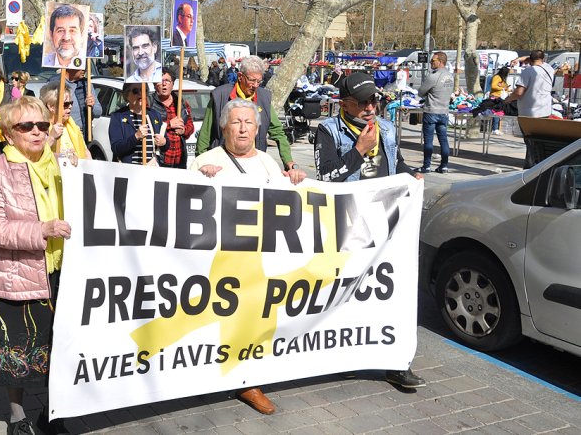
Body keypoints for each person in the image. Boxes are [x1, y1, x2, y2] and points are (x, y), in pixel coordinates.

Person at [190, 99, 305, 415]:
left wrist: (295, 182)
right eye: (236, 122)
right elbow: (179, 204)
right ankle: (240, 379)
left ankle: (247, 379)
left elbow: (288, 202)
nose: (242, 128)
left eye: (248, 123)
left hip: (262, 261)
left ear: (258, 129)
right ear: (224, 126)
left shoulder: (268, 162)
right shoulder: (206, 159)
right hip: (222, 262)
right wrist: (199, 179)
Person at [314, 72, 426, 389]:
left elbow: (397, 165)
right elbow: (327, 178)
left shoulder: (388, 129)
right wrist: (360, 150)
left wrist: (412, 176)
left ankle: (397, 362)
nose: (370, 107)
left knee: (394, 294)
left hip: (387, 226)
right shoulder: (328, 130)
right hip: (349, 227)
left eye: (373, 100)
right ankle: (346, 355)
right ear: (345, 103)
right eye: (362, 102)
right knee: (349, 295)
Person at [0, 98, 71, 435]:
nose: (36, 132)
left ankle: (53, 411)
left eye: (42, 125)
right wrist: (40, 231)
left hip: (63, 271)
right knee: (16, 351)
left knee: (59, 346)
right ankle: (17, 417)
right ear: (8, 133)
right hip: (17, 276)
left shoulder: (64, 165)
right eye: (26, 126)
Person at [196, 56, 303, 182]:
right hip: (223, 167)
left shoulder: (264, 98)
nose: (255, 85)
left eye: (259, 81)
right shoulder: (219, 95)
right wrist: (203, 162)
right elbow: (205, 135)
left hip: (253, 166)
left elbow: (278, 133)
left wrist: (289, 162)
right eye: (252, 80)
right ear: (240, 76)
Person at [505, 50, 555, 168]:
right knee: (540, 142)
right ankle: (541, 166)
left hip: (529, 112)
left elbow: (519, 92)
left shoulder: (528, 71)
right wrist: (520, 59)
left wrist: (508, 99)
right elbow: (535, 59)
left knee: (530, 142)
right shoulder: (549, 68)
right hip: (545, 110)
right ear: (543, 59)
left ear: (530, 60)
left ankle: (529, 168)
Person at [109, 82, 166, 164]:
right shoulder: (118, 117)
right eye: (135, 91)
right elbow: (116, 148)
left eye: (143, 90)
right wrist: (136, 137)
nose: (140, 94)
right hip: (129, 170)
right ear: (127, 95)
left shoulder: (154, 115)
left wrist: (163, 142)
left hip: (151, 168)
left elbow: (165, 144)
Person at [416, 51, 453, 174]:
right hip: (444, 112)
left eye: (433, 61)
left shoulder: (433, 76)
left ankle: (426, 166)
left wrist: (428, 93)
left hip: (432, 111)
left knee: (428, 140)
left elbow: (421, 92)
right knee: (443, 140)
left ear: (441, 62)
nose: (431, 62)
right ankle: (444, 166)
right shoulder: (450, 76)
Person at [151, 67, 194, 168]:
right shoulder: (149, 103)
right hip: (159, 159)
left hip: (180, 161)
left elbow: (190, 125)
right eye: (160, 81)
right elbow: (148, 128)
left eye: (167, 80)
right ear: (154, 85)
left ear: (172, 84)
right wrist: (169, 125)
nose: (164, 84)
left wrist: (184, 131)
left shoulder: (181, 103)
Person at [47, 68, 100, 141]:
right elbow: (46, 110)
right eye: (82, 66)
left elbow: (98, 112)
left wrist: (92, 106)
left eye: (86, 67)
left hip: (82, 134)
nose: (85, 70)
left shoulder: (86, 84)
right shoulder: (54, 83)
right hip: (62, 133)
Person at [40, 81, 89, 159]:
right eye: (66, 104)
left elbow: (85, 151)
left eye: (71, 103)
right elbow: (36, 156)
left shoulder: (73, 126)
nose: (70, 106)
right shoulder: (40, 128)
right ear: (51, 107)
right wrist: (52, 137)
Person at [42, 4, 85, 68]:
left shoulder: (87, 64)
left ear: (82, 35)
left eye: (72, 31)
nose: (66, 38)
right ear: (51, 35)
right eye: (60, 30)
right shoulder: (44, 64)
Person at [488, 66, 511, 135]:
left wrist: (508, 89)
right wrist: (502, 88)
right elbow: (493, 86)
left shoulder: (502, 79)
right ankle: (495, 129)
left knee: (498, 112)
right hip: (495, 97)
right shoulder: (497, 77)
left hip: (499, 97)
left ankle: (495, 128)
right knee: (497, 112)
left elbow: (505, 87)